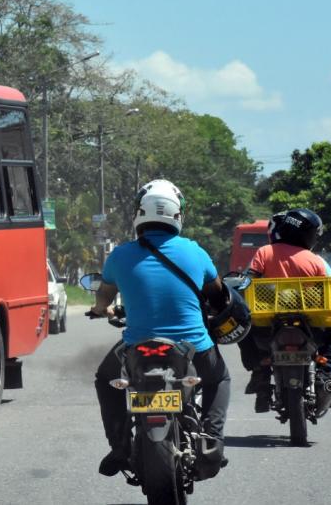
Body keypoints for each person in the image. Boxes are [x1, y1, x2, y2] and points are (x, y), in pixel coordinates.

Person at [90, 179, 231, 478]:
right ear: (178, 215)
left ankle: (119, 446)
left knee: (105, 379)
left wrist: (101, 309)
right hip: (193, 346)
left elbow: (103, 297)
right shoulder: (195, 252)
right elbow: (218, 295)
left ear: (139, 214)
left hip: (136, 347)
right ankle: (212, 440)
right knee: (219, 378)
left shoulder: (120, 255)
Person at [239, 208, 331, 411]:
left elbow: (249, 279)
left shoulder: (265, 252)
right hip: (310, 319)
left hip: (268, 317)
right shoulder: (315, 260)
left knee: (241, 325)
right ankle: (326, 367)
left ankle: (259, 368)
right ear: (309, 235)